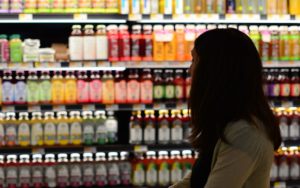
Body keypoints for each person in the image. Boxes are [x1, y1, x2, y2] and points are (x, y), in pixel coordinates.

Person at [170, 28, 282, 188]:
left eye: (194, 60)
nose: (189, 70)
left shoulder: (246, 133)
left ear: (214, 71)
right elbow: (190, 183)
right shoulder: (227, 122)